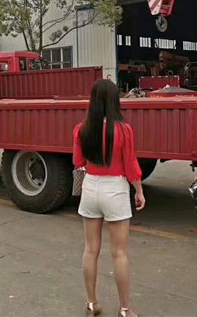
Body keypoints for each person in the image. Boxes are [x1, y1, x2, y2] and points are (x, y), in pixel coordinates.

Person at [73, 79, 145, 317]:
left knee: (90, 250)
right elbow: (131, 166)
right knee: (119, 253)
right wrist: (139, 191)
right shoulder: (123, 130)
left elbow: (78, 162)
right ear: (115, 100)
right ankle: (124, 309)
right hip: (115, 189)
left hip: (91, 187)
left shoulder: (81, 129)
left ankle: (92, 303)